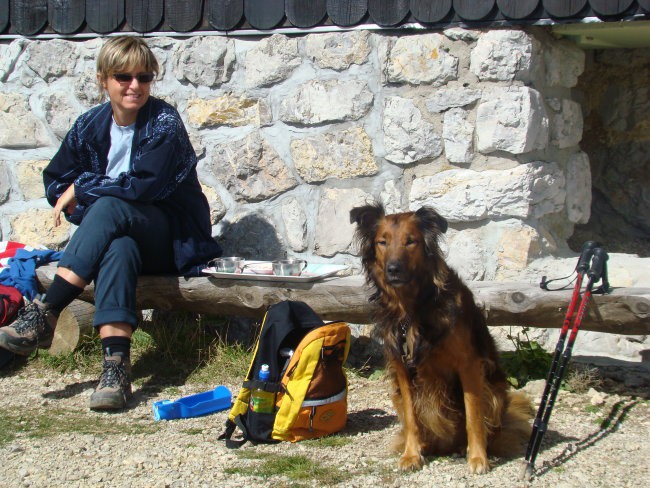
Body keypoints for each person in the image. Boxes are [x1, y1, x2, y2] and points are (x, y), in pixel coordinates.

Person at [0, 36, 221, 410]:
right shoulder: (89, 125)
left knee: (108, 206)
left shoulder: (163, 122)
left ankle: (45, 311)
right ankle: (115, 370)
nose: (135, 85)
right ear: (104, 79)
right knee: (117, 247)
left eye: (144, 77)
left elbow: (142, 187)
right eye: (124, 77)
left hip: (172, 239)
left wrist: (83, 188)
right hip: (124, 237)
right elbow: (55, 180)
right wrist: (78, 193)